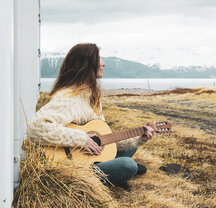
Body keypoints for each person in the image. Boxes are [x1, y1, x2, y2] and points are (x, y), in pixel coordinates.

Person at [27, 43, 154, 190]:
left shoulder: (91, 96)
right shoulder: (67, 97)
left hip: (91, 158)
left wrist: (140, 138)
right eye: (99, 59)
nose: (103, 63)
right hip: (74, 167)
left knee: (132, 148)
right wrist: (81, 139)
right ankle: (115, 175)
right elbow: (36, 128)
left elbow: (104, 140)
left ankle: (115, 173)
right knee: (129, 165)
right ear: (87, 65)